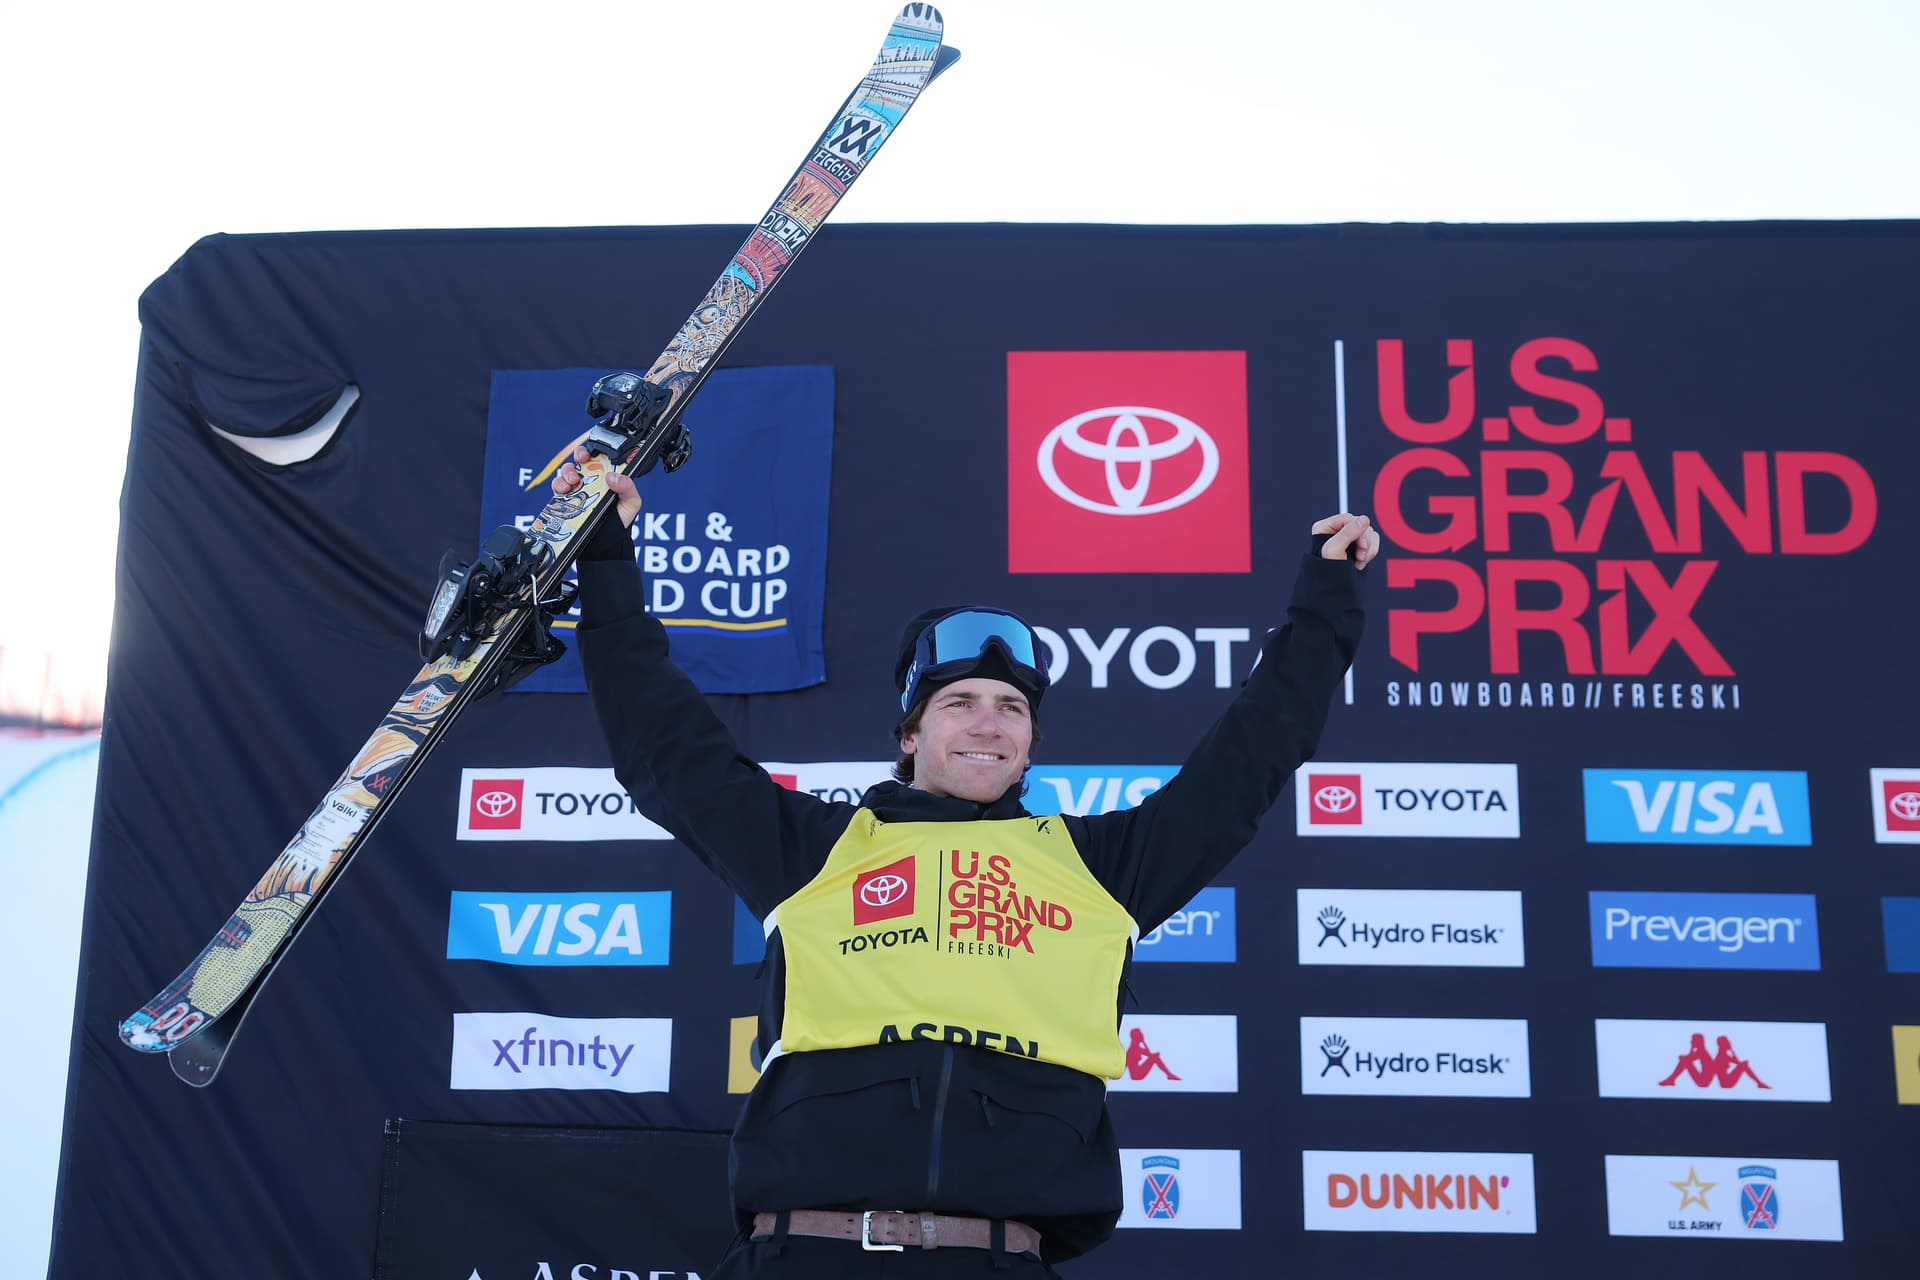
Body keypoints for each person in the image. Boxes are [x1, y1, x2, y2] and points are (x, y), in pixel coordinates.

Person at [555, 451, 1377, 1276]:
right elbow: (663, 741)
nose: (988, 724)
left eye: (1011, 709)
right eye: (960, 703)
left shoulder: (1103, 869)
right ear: (910, 736)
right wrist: (605, 559)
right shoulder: (814, 851)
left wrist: (1325, 605)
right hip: (803, 1256)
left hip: (997, 1261)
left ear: (1030, 746)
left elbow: (1252, 757)